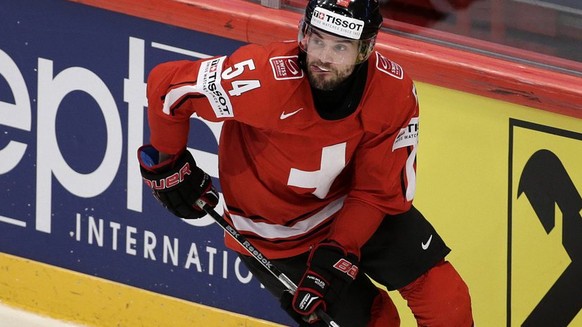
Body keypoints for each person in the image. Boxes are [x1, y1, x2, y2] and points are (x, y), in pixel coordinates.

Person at [138, 0, 473, 326]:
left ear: (365, 49)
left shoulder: (392, 92)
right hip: (276, 234)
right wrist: (169, 162)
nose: (324, 58)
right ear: (303, 34)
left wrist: (339, 249)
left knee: (445, 299)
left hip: (353, 209)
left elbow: (376, 191)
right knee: (377, 321)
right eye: (317, 40)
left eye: (340, 47)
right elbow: (167, 87)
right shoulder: (262, 78)